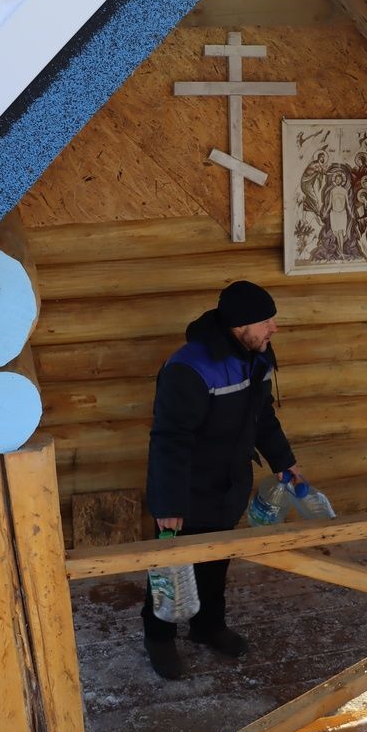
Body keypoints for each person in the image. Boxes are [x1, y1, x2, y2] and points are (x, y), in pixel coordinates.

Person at [142, 280, 303, 680]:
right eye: (266, 321)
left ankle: (208, 627)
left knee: (216, 563)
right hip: (187, 489)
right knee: (172, 567)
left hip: (229, 483)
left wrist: (284, 462)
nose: (274, 329)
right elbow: (169, 440)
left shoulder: (255, 356)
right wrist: (168, 506)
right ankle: (159, 637)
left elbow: (262, 417)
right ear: (239, 324)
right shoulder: (190, 367)